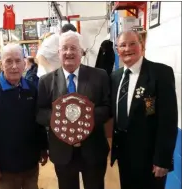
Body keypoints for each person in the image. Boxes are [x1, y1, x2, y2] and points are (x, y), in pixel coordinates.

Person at [37, 31, 110, 189]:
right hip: (62, 152)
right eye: (64, 48)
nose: (69, 52)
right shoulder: (45, 81)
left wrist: (83, 116)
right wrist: (61, 117)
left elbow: (107, 107)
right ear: (58, 53)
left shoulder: (100, 76)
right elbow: (39, 112)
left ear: (82, 52)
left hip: (93, 149)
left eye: (73, 48)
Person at [110, 30, 178, 189]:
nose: (127, 49)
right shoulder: (115, 77)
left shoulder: (161, 73)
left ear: (142, 46)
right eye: (122, 45)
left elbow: (168, 120)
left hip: (150, 158)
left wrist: (163, 159)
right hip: (124, 155)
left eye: (132, 43)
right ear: (117, 50)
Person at [0, 43, 48, 189]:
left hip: (30, 165)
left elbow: (38, 123)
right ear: (1, 64)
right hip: (5, 169)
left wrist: (43, 147)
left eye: (18, 60)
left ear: (24, 64)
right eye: (9, 61)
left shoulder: (32, 89)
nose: (14, 66)